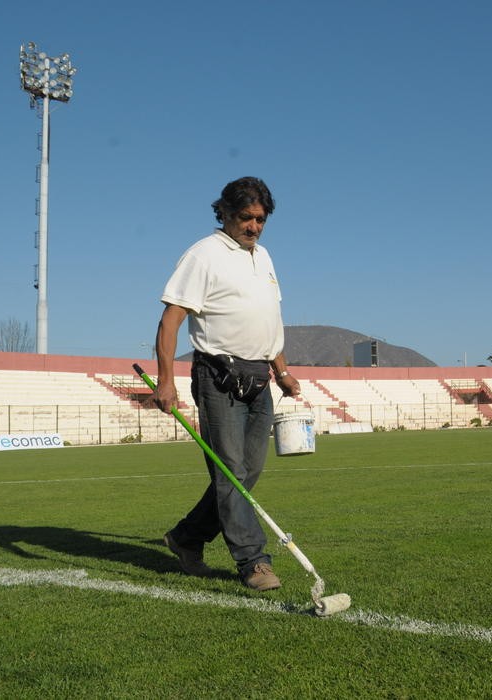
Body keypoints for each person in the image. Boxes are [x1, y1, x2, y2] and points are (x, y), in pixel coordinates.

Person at [151, 176, 301, 591]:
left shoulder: (264, 257)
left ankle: (185, 538)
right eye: (245, 218)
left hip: (260, 377)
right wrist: (166, 380)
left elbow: (269, 319)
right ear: (225, 213)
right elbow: (170, 321)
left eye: (260, 219)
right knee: (231, 473)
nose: (253, 226)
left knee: (246, 472)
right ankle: (254, 561)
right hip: (217, 377)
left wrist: (283, 370)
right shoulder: (204, 254)